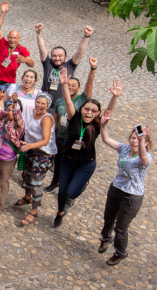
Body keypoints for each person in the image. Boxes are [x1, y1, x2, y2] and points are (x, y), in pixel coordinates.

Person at [52, 67, 123, 228]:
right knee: (62, 191)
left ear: (97, 113)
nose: (89, 112)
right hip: (68, 160)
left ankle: (83, 183)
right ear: (82, 109)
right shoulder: (74, 117)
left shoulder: (98, 125)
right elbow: (68, 100)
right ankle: (60, 213)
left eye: (93, 110)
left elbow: (108, 112)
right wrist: (63, 84)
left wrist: (115, 97)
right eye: (86, 109)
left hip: (86, 164)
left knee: (71, 192)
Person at [97, 111, 153, 266]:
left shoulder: (146, 156)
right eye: (133, 138)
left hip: (132, 196)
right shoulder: (124, 149)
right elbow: (106, 139)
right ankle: (105, 238)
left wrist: (141, 141)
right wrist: (103, 125)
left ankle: (120, 252)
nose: (135, 141)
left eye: (139, 139)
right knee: (108, 218)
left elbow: (143, 158)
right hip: (116, 189)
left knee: (121, 228)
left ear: (146, 143)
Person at [46, 58, 98, 192]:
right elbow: (56, 119)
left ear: (79, 88)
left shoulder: (82, 99)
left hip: (75, 138)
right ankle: (55, 181)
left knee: (72, 162)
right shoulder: (59, 101)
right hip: (60, 137)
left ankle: (74, 184)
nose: (70, 87)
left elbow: (90, 84)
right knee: (58, 161)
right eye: (68, 85)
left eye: (74, 85)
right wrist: (54, 135)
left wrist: (93, 69)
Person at [13, 93, 57, 227]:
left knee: (36, 182)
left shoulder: (46, 118)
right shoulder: (34, 112)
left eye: (43, 103)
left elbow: (45, 140)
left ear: (48, 105)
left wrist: (30, 145)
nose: (39, 105)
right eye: (38, 102)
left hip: (43, 153)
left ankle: (34, 210)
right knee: (26, 175)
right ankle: (27, 197)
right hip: (30, 149)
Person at [36, 23, 94, 105]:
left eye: (60, 56)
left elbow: (79, 53)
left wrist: (87, 36)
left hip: (62, 106)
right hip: (45, 106)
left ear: (65, 57)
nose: (57, 58)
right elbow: (42, 49)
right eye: (54, 56)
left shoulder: (70, 65)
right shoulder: (47, 64)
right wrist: (39, 32)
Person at [0, 94, 25, 213]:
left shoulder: (20, 125)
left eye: (12, 110)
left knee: (2, 182)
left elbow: (17, 117)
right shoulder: (3, 118)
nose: (9, 112)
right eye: (8, 110)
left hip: (7, 158)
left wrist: (15, 102)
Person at [0, 2, 34, 91]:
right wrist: (3, 13)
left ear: (19, 39)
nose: (12, 40)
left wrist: (25, 60)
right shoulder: (3, 43)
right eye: (10, 37)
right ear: (7, 37)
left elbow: (32, 64)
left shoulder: (22, 49)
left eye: (15, 38)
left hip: (9, 84)